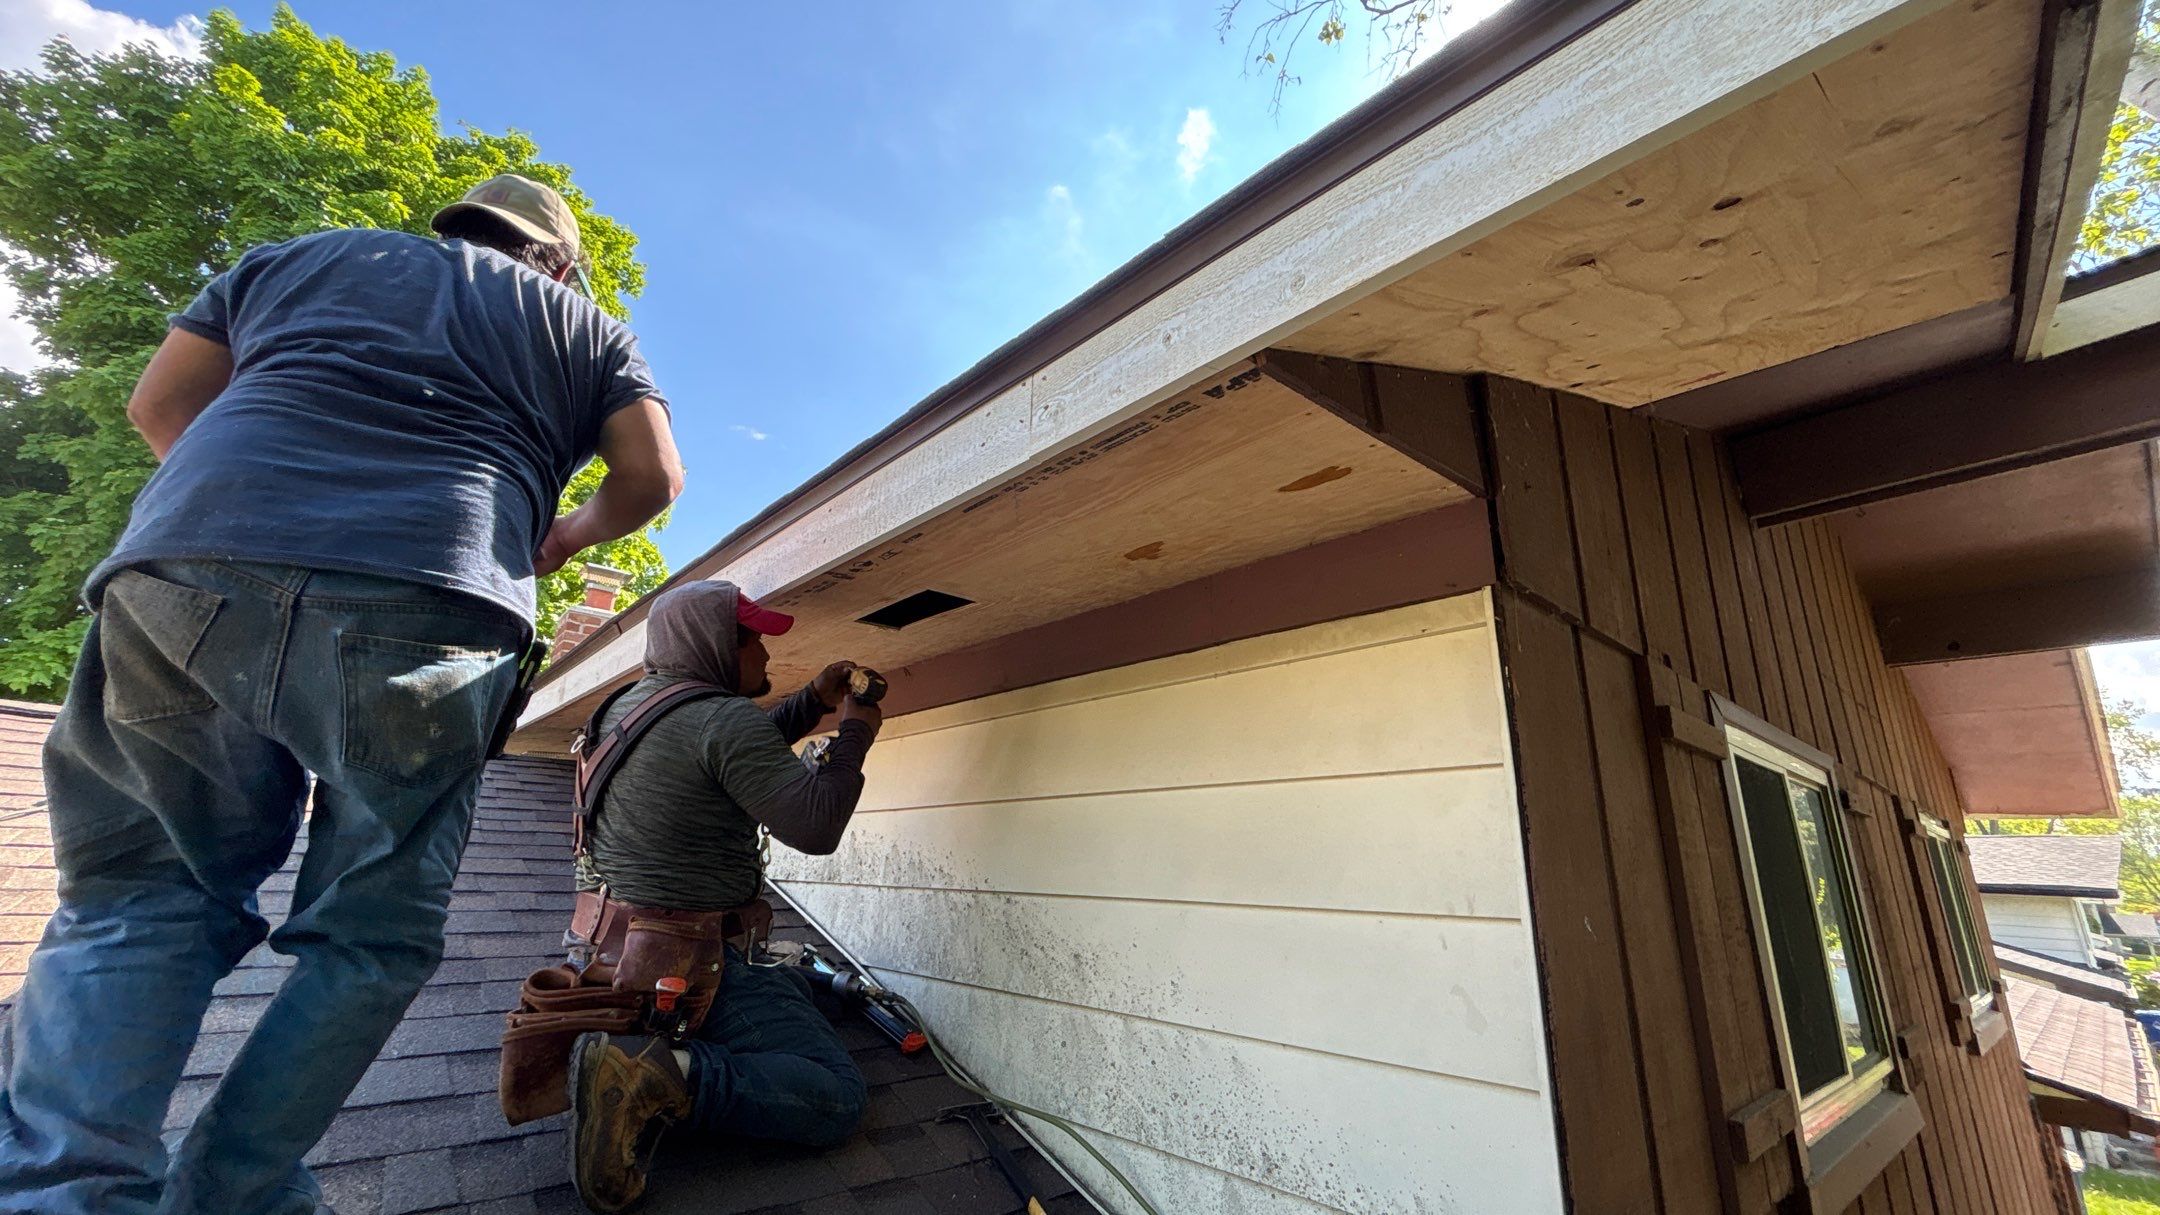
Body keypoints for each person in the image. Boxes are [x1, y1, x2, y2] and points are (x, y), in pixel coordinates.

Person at [0, 174, 683, 1215]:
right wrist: (561, 541)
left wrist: (235, 510)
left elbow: (159, 403)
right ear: (556, 260)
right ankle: (237, 1189)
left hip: (185, 576)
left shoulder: (301, 257)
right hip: (431, 603)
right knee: (370, 930)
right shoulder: (582, 324)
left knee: (140, 893)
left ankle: (60, 1194)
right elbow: (651, 479)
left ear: (455, 225)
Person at [551, 580, 880, 1214]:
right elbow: (815, 827)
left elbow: (731, 749)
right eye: (753, 638)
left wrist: (811, 700)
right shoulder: (720, 720)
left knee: (795, 984)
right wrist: (855, 733)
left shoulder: (625, 709)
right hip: (693, 959)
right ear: (713, 645)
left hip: (607, 948)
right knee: (835, 1096)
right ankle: (657, 1073)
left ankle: (636, 1056)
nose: (765, 652)